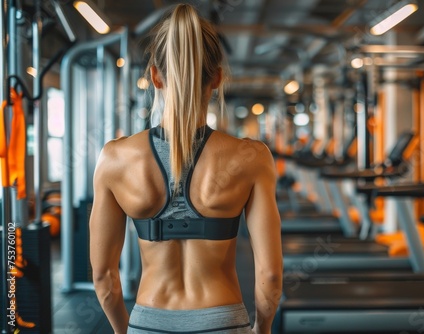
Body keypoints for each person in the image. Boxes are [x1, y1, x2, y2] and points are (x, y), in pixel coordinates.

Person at [89, 3, 283, 334]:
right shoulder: (252, 157)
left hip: (148, 321)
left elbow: (104, 279)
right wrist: (261, 329)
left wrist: (127, 331)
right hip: (223, 321)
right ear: (218, 78)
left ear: (154, 75)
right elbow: (270, 277)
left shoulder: (115, 159)